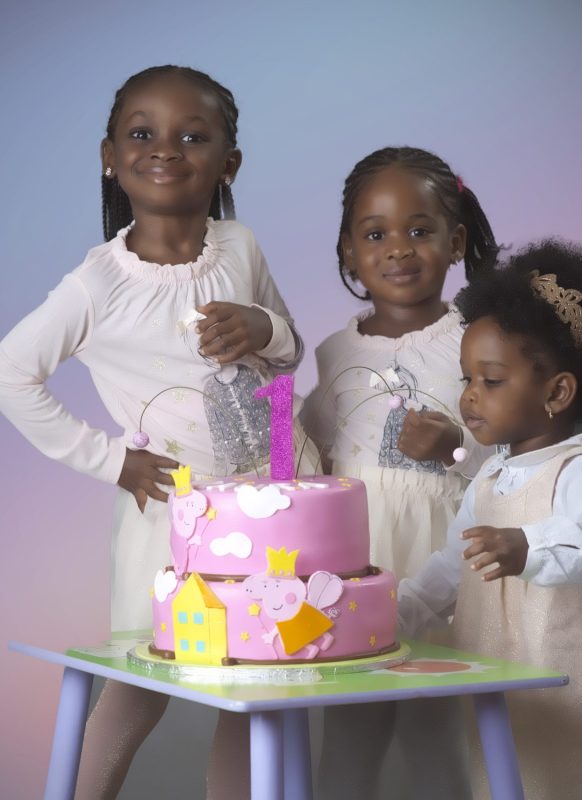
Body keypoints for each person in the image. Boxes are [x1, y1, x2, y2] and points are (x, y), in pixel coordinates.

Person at [0, 65, 315, 800]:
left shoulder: (239, 246)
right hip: (177, 513)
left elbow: (289, 352)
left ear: (227, 163)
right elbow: (11, 373)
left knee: (261, 672)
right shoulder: (98, 285)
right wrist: (114, 462)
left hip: (273, 503)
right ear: (110, 155)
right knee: (149, 671)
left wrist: (260, 326)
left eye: (192, 136)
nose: (165, 149)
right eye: (142, 134)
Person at [302, 146, 499, 799]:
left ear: (455, 241)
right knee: (350, 737)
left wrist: (456, 447)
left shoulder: (476, 340)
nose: (398, 248)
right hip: (359, 573)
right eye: (376, 234)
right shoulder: (336, 354)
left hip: (442, 568)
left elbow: (516, 464)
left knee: (437, 732)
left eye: (420, 231)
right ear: (349, 252)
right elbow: (311, 457)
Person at [397, 239, 582, 800]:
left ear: (557, 392)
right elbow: (453, 562)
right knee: (500, 779)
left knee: (559, 784)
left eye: (490, 381)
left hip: (566, 685)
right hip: (493, 680)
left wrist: (529, 547)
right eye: (466, 379)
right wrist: (396, 616)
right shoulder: (489, 476)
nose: (469, 397)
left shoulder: (579, 470)